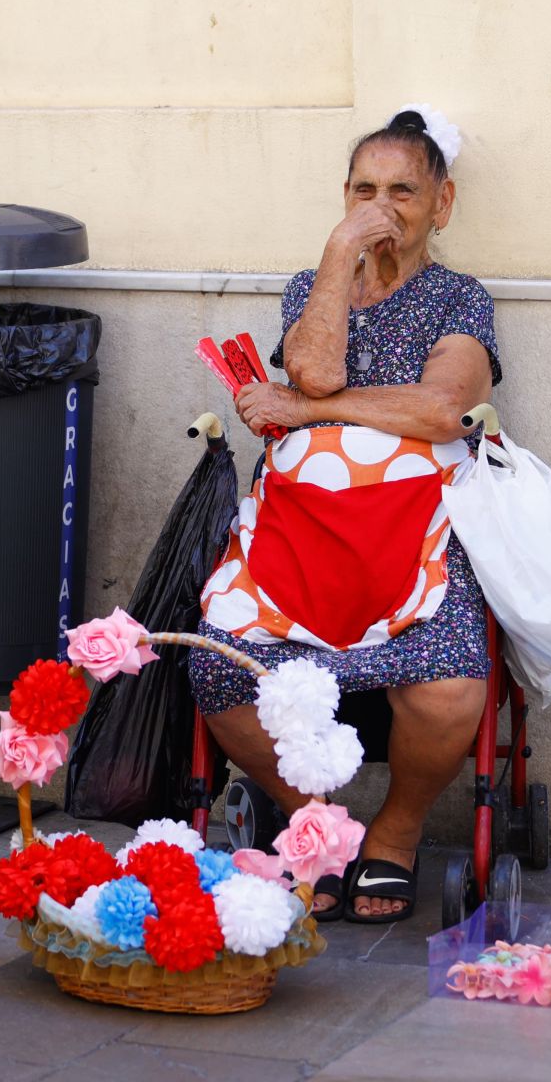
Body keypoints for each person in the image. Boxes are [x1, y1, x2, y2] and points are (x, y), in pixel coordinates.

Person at [190, 106, 502, 924]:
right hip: (299, 532)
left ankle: (394, 838)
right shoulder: (313, 286)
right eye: (364, 190)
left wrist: (303, 412)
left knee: (449, 685)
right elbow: (316, 366)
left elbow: (441, 409)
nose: (381, 207)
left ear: (443, 203)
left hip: (416, 536)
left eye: (404, 190)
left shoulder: (457, 298)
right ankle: (317, 826)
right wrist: (339, 258)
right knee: (221, 668)